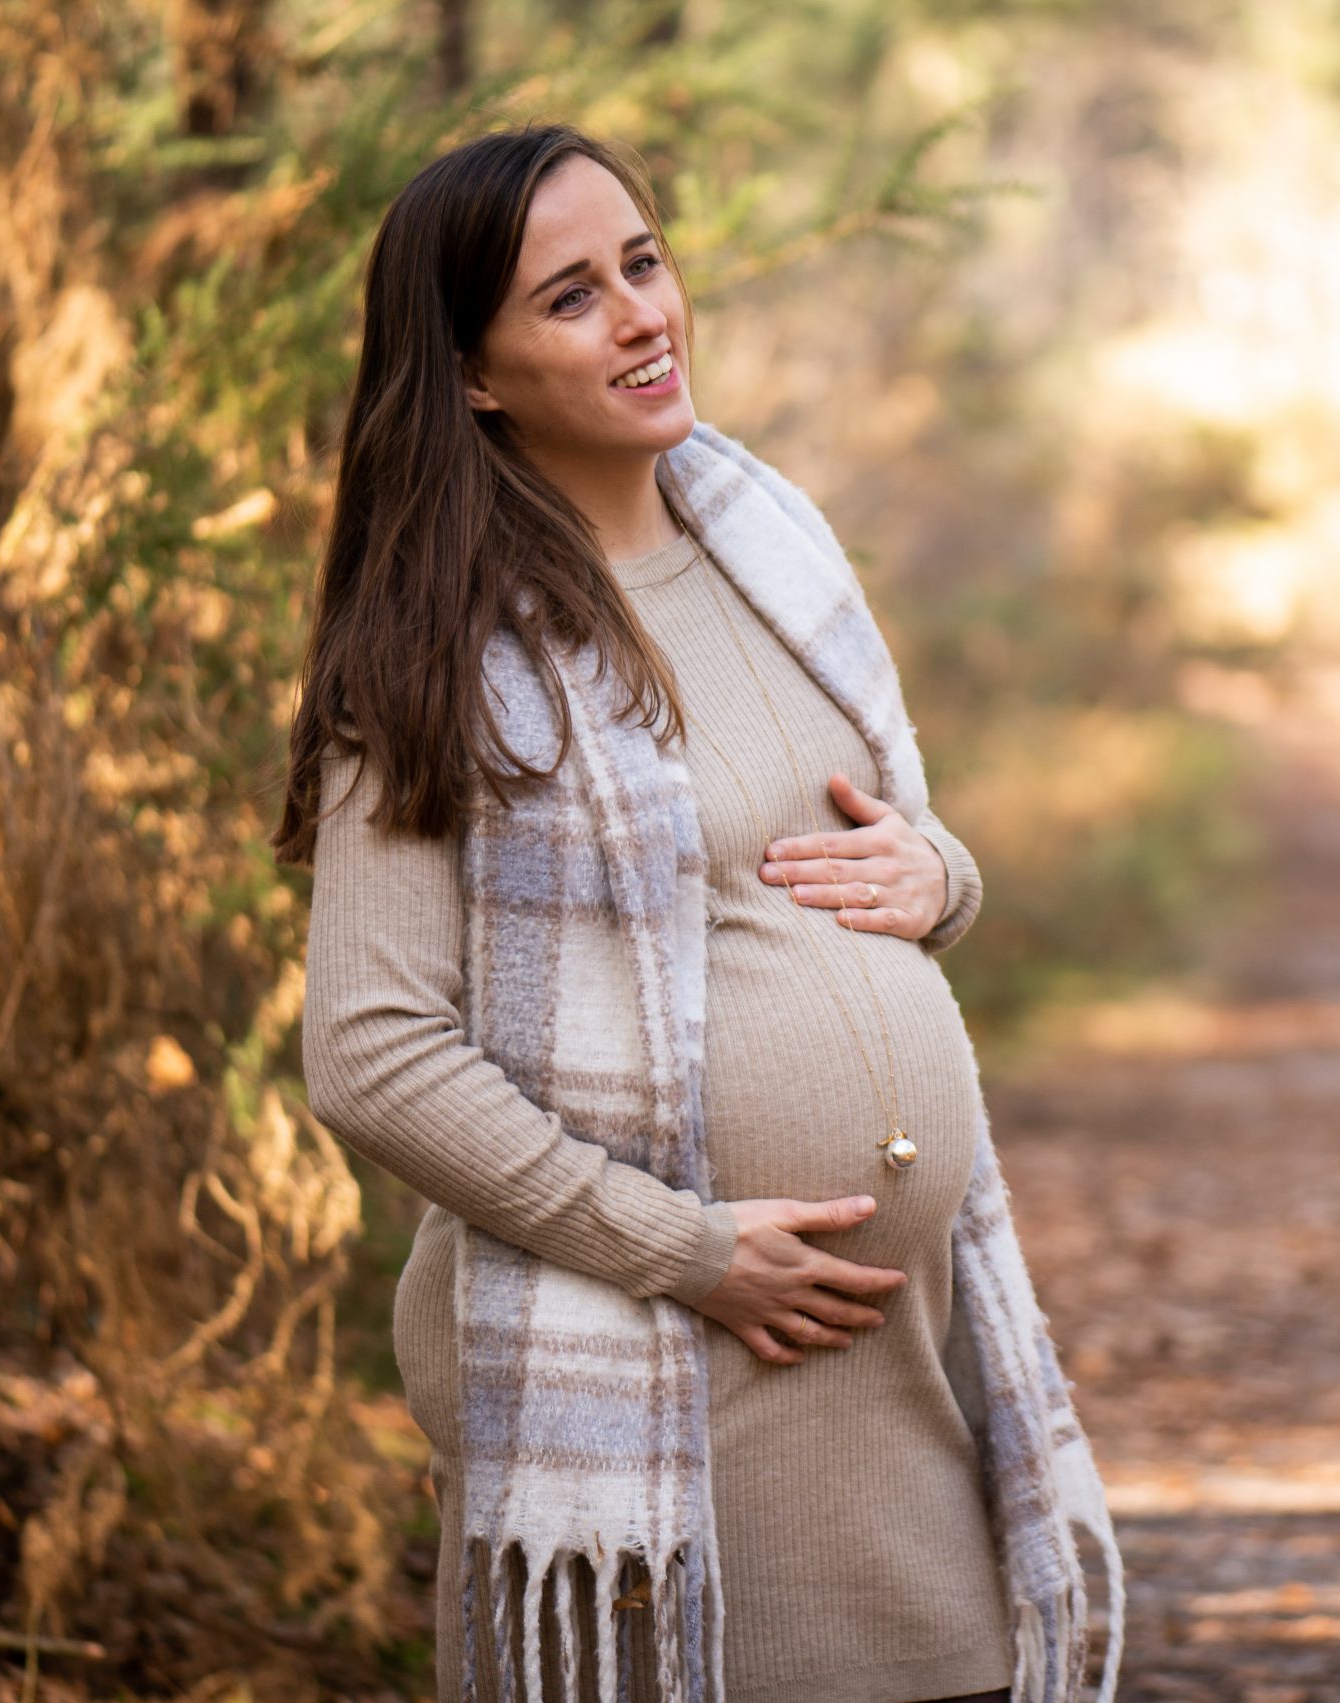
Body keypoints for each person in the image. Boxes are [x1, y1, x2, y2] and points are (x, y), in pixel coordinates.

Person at [272, 123, 1122, 1703]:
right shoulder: (431, 660)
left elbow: (874, 837)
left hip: (904, 1385)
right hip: (675, 1401)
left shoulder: (766, 547)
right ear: (473, 375)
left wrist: (945, 875)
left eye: (644, 264)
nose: (641, 315)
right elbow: (371, 1053)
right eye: (572, 297)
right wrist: (682, 1250)